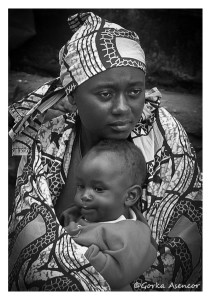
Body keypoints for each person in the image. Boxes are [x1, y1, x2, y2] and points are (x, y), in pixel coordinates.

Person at [8, 12, 202, 291]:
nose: (123, 108)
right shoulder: (51, 137)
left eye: (135, 92)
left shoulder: (163, 135)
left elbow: (183, 235)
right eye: (105, 94)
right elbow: (30, 233)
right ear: (72, 95)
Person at [60, 139, 157, 291]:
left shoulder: (132, 233)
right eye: (80, 186)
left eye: (98, 189)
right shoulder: (75, 214)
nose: (85, 195)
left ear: (130, 196)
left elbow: (117, 274)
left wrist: (79, 252)